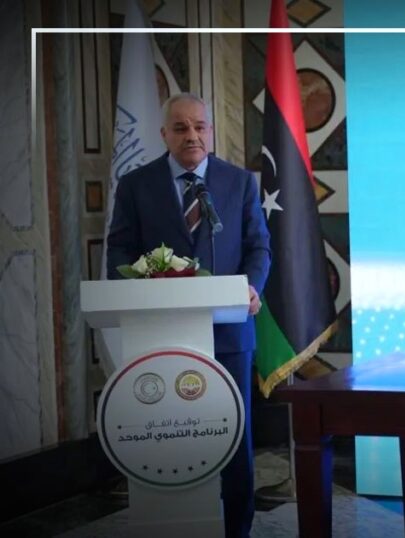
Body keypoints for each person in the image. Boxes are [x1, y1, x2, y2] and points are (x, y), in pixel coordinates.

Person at [106, 93, 271, 537]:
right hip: (160, 335)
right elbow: (119, 249)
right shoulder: (136, 185)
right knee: (169, 430)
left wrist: (251, 287)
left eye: (199, 126)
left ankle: (237, 528)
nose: (191, 136)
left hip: (230, 332)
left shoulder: (238, 182)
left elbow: (258, 247)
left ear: (211, 132)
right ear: (164, 134)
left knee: (233, 434)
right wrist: (132, 291)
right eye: (180, 128)